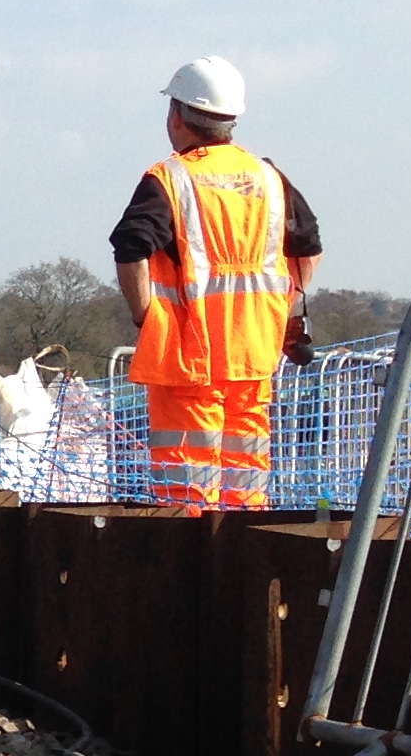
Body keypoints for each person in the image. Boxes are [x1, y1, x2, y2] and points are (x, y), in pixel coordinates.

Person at [108, 57, 318, 510]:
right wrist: (280, 313)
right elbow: (309, 249)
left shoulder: (169, 178)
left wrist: (146, 317)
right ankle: (242, 557)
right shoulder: (268, 177)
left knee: (187, 481)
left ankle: (190, 562)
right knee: (245, 478)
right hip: (255, 354)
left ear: (178, 116)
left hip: (189, 355)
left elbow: (131, 249)